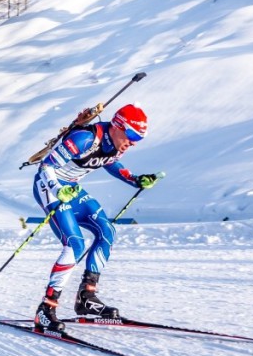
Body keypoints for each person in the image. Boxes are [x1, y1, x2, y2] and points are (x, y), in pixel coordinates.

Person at [31, 104, 162, 333]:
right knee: (74, 244)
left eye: (138, 139)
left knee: (107, 232)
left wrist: (135, 180)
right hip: (50, 186)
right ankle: (46, 309)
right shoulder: (83, 138)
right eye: (131, 135)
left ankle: (87, 297)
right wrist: (56, 188)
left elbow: (109, 162)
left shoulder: (117, 145)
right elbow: (46, 166)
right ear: (118, 126)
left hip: (71, 189)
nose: (132, 142)